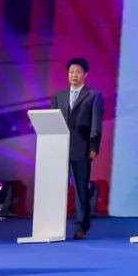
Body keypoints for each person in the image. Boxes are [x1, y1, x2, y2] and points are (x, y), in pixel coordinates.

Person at [51, 58, 103, 240]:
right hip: (59, 148)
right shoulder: (59, 96)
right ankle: (53, 223)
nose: (74, 75)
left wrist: (93, 146)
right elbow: (52, 121)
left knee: (81, 189)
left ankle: (81, 226)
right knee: (56, 187)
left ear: (85, 75)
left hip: (81, 147)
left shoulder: (93, 95)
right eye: (71, 72)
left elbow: (96, 124)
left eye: (78, 72)